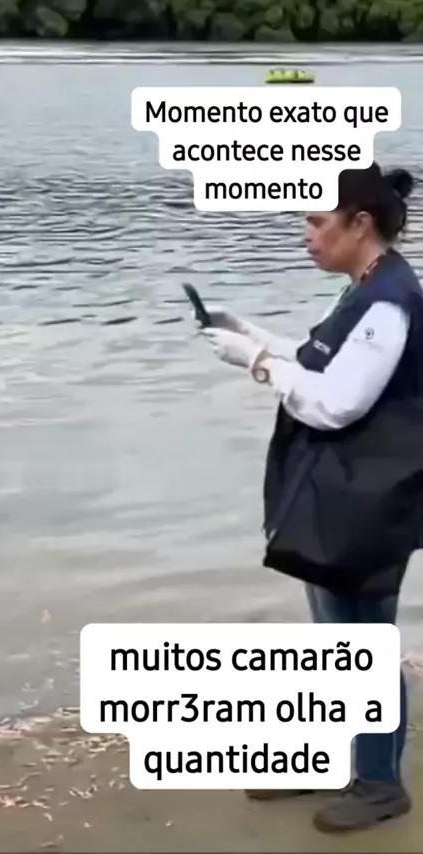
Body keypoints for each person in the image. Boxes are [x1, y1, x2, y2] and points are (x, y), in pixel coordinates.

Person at [199, 161, 423, 834]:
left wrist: (257, 365)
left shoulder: (389, 301)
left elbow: (337, 402)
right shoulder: (366, 287)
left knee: (362, 639)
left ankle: (379, 783)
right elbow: (317, 359)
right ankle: (332, 758)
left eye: (317, 221)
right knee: (334, 635)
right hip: (342, 489)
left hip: (373, 495)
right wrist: (252, 335)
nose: (307, 234)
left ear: (360, 225)